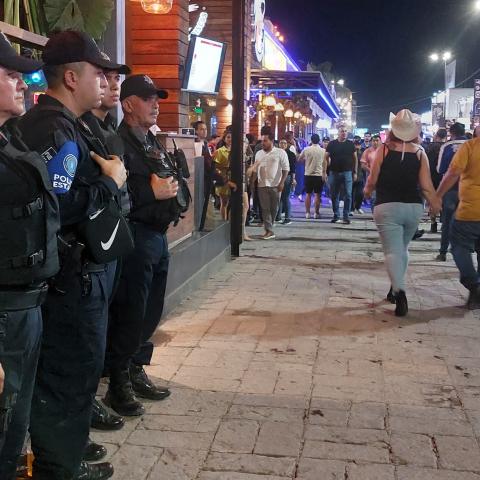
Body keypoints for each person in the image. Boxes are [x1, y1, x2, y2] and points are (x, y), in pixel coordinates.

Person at [18, 30, 128, 480]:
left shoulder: (72, 125)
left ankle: (66, 455)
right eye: (97, 74)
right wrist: (110, 183)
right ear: (69, 77)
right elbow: (57, 206)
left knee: (77, 375)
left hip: (79, 273)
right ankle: (60, 469)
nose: (105, 82)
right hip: (69, 279)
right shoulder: (53, 127)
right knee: (68, 376)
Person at [0, 34, 60, 480]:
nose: (23, 83)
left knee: (13, 429)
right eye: (10, 75)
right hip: (4, 315)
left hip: (26, 306)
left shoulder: (9, 139)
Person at [105, 75, 179, 417]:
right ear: (129, 103)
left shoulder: (152, 141)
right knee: (131, 311)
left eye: (157, 98)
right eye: (148, 98)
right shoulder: (117, 143)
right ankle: (118, 381)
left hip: (158, 235)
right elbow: (115, 196)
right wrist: (153, 193)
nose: (156, 104)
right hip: (135, 236)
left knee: (151, 308)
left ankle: (136, 366)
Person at [364, 110, 440, 317]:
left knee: (392, 251)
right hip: (413, 208)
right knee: (402, 248)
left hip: (387, 206)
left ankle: (399, 292)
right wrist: (434, 201)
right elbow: (426, 185)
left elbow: (373, 178)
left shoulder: (384, 150)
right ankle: (393, 287)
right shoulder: (419, 152)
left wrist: (367, 191)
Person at [435, 136, 480, 309]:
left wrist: (437, 195)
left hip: (471, 209)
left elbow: (452, 173)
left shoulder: (471, 146)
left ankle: (473, 283)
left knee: (459, 245)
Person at [435, 122, 467, 261]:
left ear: (451, 133)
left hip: (450, 189)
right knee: (469, 222)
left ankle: (443, 252)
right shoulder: (473, 145)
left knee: (447, 221)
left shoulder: (446, 146)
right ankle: (464, 251)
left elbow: (440, 169)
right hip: (469, 189)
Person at [251, 133, 290, 240]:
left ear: (272, 141)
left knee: (274, 208)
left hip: (275, 184)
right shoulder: (258, 153)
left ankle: (269, 227)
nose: (263, 143)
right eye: (262, 141)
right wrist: (252, 183)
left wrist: (282, 182)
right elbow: (255, 168)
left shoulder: (280, 153)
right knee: (265, 208)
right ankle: (269, 230)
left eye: (265, 141)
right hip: (262, 184)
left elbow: (286, 169)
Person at [326, 126, 357, 224]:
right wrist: (326, 168)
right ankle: (336, 215)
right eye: (342, 131)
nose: (344, 133)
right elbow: (325, 157)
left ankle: (346, 216)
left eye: (345, 131)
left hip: (347, 172)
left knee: (348, 194)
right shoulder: (332, 144)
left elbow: (355, 159)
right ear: (338, 133)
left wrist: (355, 172)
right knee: (334, 195)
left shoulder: (350, 144)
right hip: (334, 172)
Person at [298, 133, 326, 219]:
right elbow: (325, 163)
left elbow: (299, 159)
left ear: (311, 140)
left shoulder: (306, 149)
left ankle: (307, 213)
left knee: (308, 194)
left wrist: (306, 161)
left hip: (308, 174)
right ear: (319, 141)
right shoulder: (323, 151)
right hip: (318, 174)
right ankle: (316, 213)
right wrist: (324, 173)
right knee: (317, 195)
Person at [194, 120, 215, 231]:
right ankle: (204, 226)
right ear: (196, 131)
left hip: (207, 178)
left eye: (205, 129)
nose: (204, 131)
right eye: (201, 129)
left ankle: (207, 226)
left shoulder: (206, 144)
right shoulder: (194, 144)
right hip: (200, 178)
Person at [426, 128, 447, 233]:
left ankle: (433, 224)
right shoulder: (447, 147)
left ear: (436, 135)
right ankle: (444, 222)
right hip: (444, 178)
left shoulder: (429, 147)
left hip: (431, 177)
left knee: (432, 200)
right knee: (443, 200)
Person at [213, 131, 233, 220]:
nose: (230, 139)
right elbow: (215, 167)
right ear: (224, 139)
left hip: (234, 178)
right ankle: (224, 221)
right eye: (228, 137)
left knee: (233, 202)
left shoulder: (237, 150)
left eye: (232, 137)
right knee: (224, 202)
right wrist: (222, 175)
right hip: (223, 179)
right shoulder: (220, 151)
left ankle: (230, 221)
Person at [278, 139, 296, 224]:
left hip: (287, 177)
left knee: (285, 197)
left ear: (287, 145)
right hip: (277, 176)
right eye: (281, 143)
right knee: (279, 198)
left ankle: (287, 217)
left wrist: (293, 179)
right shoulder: (276, 153)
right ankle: (278, 217)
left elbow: (293, 168)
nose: (283, 145)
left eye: (284, 143)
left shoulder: (291, 154)